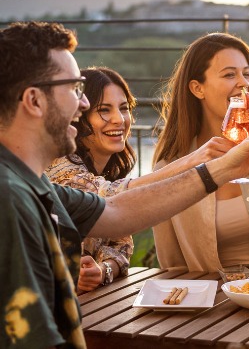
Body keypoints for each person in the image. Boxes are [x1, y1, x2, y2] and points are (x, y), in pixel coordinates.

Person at [0, 21, 249, 348]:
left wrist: (222, 168)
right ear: (34, 100)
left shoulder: (32, 185)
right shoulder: (10, 199)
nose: (83, 104)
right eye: (74, 89)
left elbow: (117, 210)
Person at [45, 67, 232, 293]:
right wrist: (194, 160)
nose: (118, 119)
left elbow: (122, 246)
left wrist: (103, 270)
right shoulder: (59, 166)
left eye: (124, 109)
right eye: (104, 110)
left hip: (89, 305)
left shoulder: (109, 171)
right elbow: (113, 200)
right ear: (79, 116)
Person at [152, 32, 249, 276]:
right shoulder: (172, 167)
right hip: (212, 300)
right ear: (197, 88)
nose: (243, 83)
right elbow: (172, 265)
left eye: (246, 73)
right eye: (229, 74)